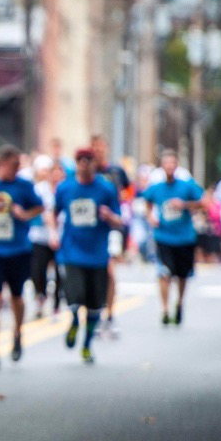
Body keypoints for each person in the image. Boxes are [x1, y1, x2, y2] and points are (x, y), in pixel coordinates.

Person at [0, 145, 44, 369]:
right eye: (14, 165)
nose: (17, 169)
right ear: (2, 164)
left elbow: (39, 207)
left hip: (18, 249)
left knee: (16, 296)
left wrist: (24, 214)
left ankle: (17, 332)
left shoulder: (24, 185)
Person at [51, 148, 122, 364]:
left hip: (98, 254)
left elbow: (120, 220)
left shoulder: (106, 189)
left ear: (94, 163)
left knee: (94, 305)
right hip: (71, 252)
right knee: (74, 295)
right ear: (76, 163)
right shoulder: (65, 188)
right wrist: (54, 232)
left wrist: (110, 217)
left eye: (88, 160)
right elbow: (54, 213)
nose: (84, 164)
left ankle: (87, 345)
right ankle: (73, 321)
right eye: (80, 160)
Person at [142, 150, 204, 326]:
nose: (169, 167)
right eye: (166, 164)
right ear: (162, 167)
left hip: (185, 237)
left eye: (172, 163)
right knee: (164, 273)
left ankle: (179, 303)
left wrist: (184, 205)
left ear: (176, 166)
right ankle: (164, 309)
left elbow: (204, 201)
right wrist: (150, 217)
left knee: (182, 275)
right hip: (163, 236)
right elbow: (146, 201)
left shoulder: (186, 185)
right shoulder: (157, 187)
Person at [91, 135, 130, 336]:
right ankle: (95, 311)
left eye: (101, 147)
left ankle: (109, 314)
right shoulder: (86, 172)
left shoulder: (116, 171)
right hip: (91, 228)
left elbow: (129, 190)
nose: (98, 151)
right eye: (94, 148)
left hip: (112, 225)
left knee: (109, 270)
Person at [30, 160, 65, 319]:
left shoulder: (64, 189)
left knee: (60, 272)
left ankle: (57, 304)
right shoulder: (39, 189)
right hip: (40, 235)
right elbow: (37, 210)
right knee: (38, 270)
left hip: (61, 236)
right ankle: (40, 297)